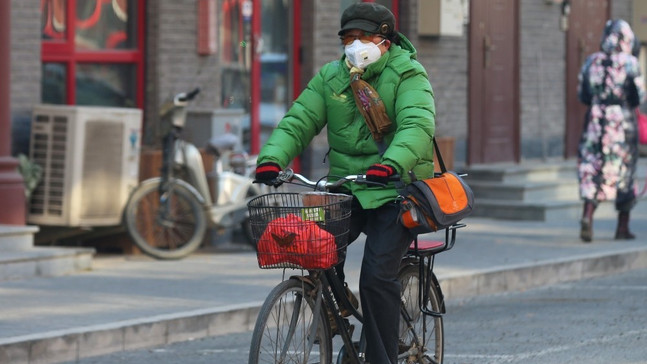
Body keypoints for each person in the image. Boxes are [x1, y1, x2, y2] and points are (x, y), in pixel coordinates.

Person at [254, 3, 435, 363]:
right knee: (313, 247)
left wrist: (392, 163)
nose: (354, 44)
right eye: (348, 38)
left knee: (376, 277)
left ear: (385, 40)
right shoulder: (331, 76)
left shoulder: (408, 75)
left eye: (363, 37)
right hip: (347, 188)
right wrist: (272, 158)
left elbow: (418, 126)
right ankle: (338, 309)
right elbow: (299, 120)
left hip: (395, 189)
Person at [577, 19, 645, 243]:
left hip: (595, 121)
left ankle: (588, 214)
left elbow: (583, 95)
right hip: (622, 122)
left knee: (592, 167)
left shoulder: (591, 61)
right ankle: (622, 228)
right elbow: (639, 97)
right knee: (624, 172)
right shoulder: (631, 63)